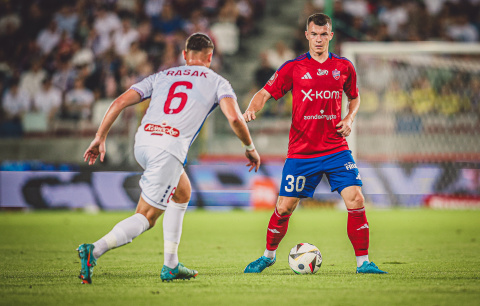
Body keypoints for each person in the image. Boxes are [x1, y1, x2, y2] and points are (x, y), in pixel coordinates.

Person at [78, 33, 260, 284]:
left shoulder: (162, 75)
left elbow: (119, 102)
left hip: (142, 143)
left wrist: (100, 137)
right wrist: (249, 147)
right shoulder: (218, 82)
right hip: (168, 149)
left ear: (184, 55)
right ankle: (94, 250)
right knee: (146, 217)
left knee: (182, 191)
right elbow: (235, 118)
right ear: (210, 57)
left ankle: (171, 265)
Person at [242, 13, 387, 274]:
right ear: (307, 35)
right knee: (284, 207)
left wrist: (349, 117)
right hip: (302, 152)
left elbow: (354, 98)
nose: (319, 39)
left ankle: (363, 263)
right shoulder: (293, 67)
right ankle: (268, 256)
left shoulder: (344, 67)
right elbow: (265, 92)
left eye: (324, 34)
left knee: (355, 198)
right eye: (314, 34)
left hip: (335, 149)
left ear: (330, 36)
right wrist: (253, 109)